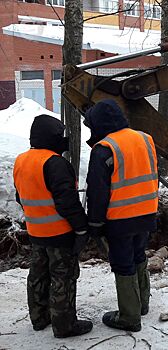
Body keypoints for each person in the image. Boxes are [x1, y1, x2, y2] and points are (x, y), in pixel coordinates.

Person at [13, 115, 93, 338]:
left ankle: (39, 319)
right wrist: (81, 228)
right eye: (60, 135)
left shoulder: (21, 160)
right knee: (63, 277)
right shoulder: (55, 163)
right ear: (52, 137)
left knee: (38, 275)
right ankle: (64, 325)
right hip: (60, 233)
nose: (63, 139)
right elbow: (67, 202)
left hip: (36, 232)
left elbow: (21, 197)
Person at [84, 99, 158, 332]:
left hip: (120, 218)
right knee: (138, 256)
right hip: (147, 212)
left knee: (122, 263)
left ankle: (129, 316)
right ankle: (142, 304)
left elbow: (98, 192)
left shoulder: (104, 149)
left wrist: (95, 224)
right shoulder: (145, 138)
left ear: (99, 124)